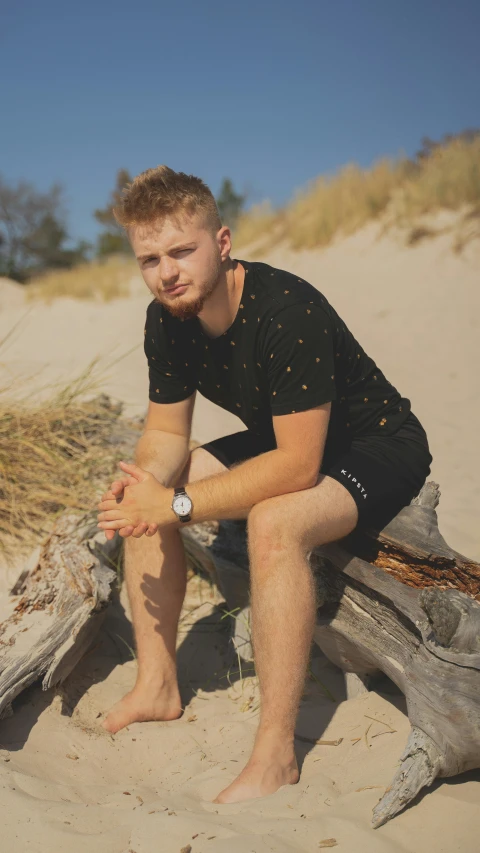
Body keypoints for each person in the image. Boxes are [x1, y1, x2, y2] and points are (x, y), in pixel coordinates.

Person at [96, 165, 432, 804]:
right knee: (146, 487)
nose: (167, 272)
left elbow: (298, 469)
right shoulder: (167, 318)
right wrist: (148, 489)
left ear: (221, 244)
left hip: (375, 443)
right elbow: (167, 434)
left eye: (182, 251)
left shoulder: (286, 309)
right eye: (149, 259)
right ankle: (157, 684)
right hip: (293, 436)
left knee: (274, 522)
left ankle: (277, 752)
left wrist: (181, 504)